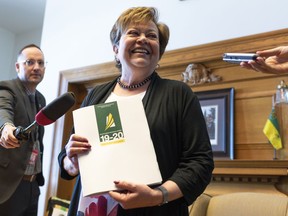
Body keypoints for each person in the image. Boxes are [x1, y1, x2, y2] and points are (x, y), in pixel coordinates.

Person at [58, 7, 214, 216]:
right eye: (133, 33)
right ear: (115, 48)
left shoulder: (179, 94)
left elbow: (200, 164)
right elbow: (68, 157)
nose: (143, 39)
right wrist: (71, 161)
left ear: (159, 50)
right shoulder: (95, 95)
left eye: (151, 36)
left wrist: (158, 195)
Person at [0, 44, 46, 216]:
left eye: (41, 63)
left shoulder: (41, 99)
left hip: (32, 186)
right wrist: (6, 128)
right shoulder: (7, 88)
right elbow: (3, 110)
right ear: (18, 66)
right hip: (8, 186)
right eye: (30, 62)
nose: (36, 67)